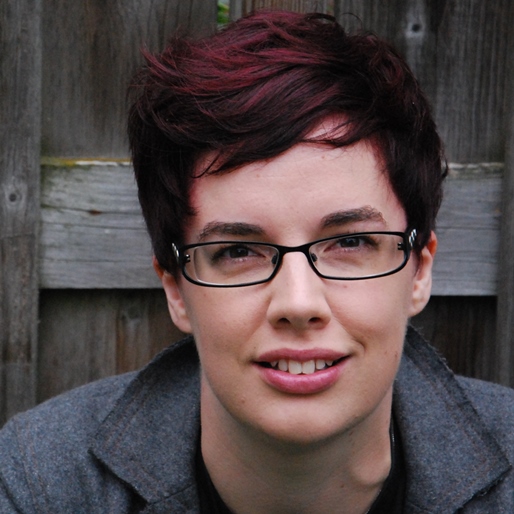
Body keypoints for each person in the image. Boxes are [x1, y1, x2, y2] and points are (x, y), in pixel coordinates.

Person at [1, 10, 513, 514]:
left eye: (351, 242)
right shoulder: (39, 485)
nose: (298, 303)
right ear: (176, 289)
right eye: (238, 251)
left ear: (420, 270)